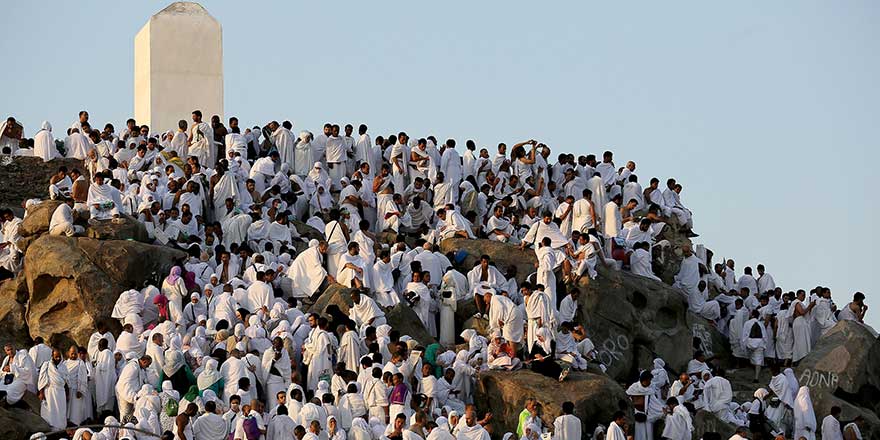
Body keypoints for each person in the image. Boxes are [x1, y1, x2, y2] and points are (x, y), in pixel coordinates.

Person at [38, 348, 69, 430]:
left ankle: (61, 428)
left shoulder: (64, 367)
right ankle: (51, 428)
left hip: (61, 392)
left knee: (61, 411)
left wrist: (67, 394)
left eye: (59, 357)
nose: (58, 358)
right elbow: (42, 379)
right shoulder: (46, 365)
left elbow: (66, 382)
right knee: (50, 411)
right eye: (56, 357)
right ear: (52, 356)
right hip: (50, 391)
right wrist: (41, 393)